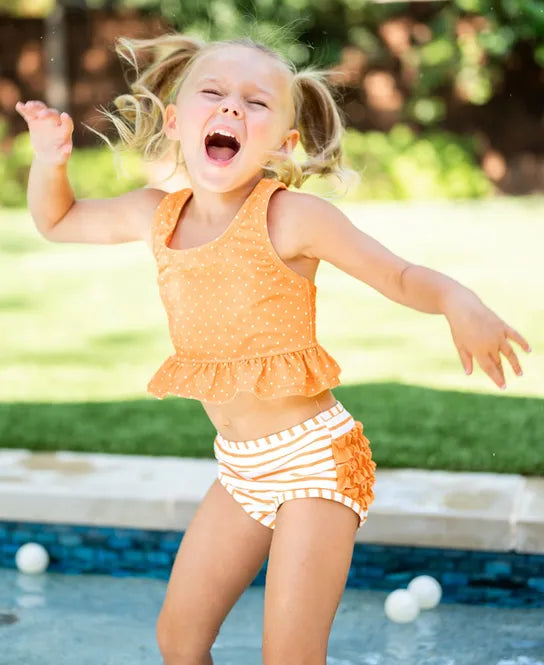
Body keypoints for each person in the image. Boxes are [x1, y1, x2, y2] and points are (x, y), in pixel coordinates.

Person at [15, 31, 530, 665]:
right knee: (178, 639)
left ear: (284, 144)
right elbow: (57, 221)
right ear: (176, 122)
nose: (232, 108)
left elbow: (396, 275)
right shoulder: (156, 215)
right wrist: (50, 160)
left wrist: (458, 300)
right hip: (240, 469)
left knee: (288, 658)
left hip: (316, 464)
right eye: (213, 93)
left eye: (256, 103)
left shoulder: (290, 217)